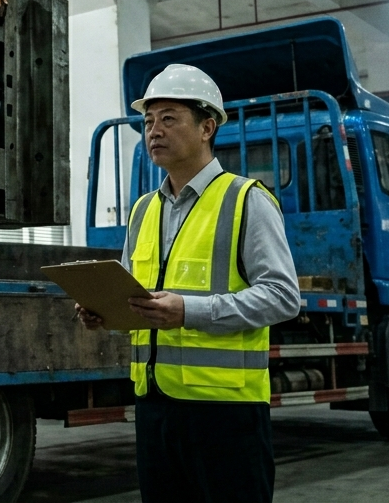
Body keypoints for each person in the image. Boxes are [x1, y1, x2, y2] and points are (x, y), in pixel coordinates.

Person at [76, 63, 300, 503]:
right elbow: (135, 295)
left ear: (207, 127)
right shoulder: (143, 210)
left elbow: (283, 296)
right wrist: (103, 311)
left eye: (169, 118)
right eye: (148, 121)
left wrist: (189, 311)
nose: (154, 131)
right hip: (154, 406)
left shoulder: (245, 199)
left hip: (225, 412)